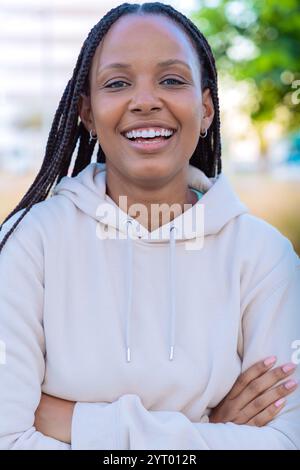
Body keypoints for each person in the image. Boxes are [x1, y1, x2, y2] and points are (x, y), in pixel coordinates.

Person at [0, 2, 299, 450]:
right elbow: (6, 437)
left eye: (172, 80)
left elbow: (285, 440)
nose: (144, 101)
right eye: (117, 83)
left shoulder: (264, 257)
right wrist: (210, 430)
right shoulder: (31, 243)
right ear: (87, 113)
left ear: (206, 110)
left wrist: (72, 422)